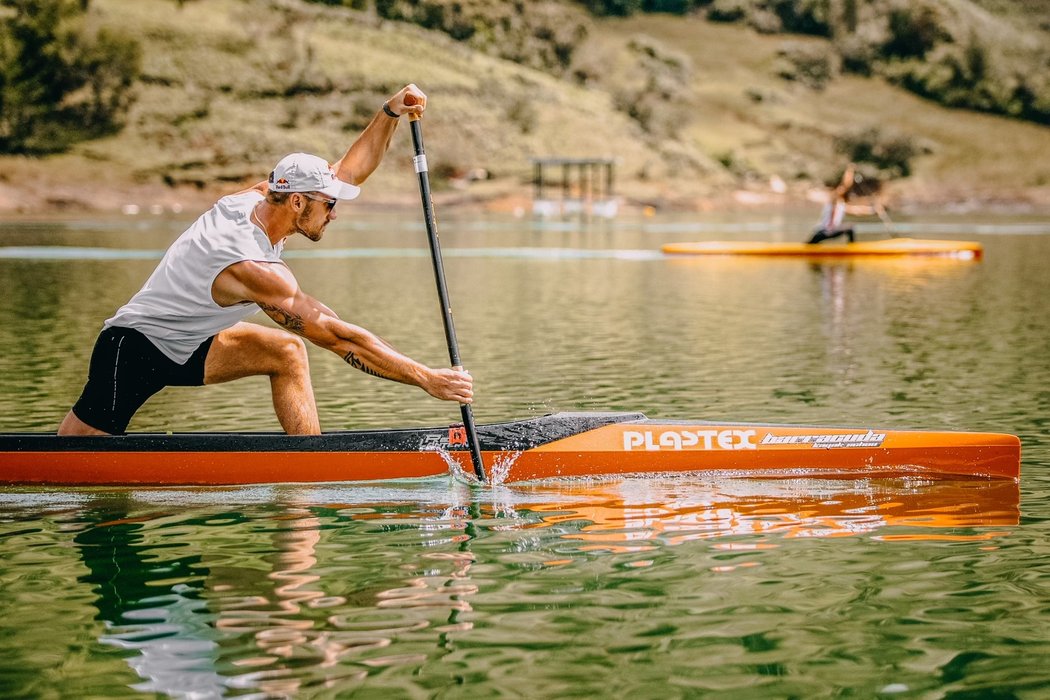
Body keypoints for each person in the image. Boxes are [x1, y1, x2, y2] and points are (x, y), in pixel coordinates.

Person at [58, 84, 473, 437]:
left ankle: (308, 468)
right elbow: (338, 336)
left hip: (191, 343)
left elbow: (349, 171)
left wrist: (390, 111)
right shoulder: (251, 266)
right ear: (296, 201)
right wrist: (427, 378)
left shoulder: (261, 196)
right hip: (134, 351)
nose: (334, 213)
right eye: (328, 205)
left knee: (286, 352)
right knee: (72, 459)